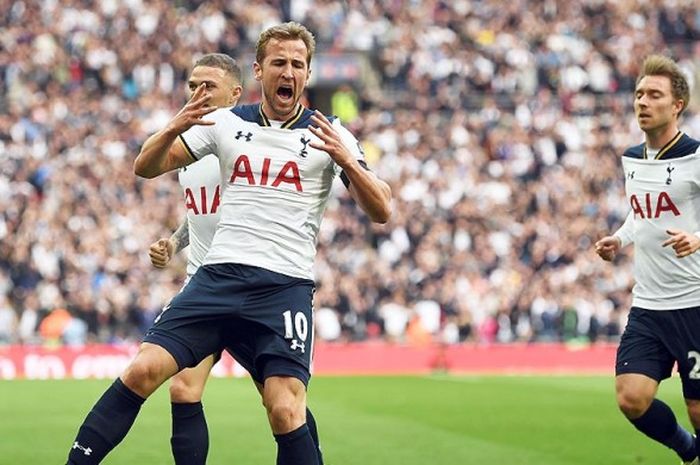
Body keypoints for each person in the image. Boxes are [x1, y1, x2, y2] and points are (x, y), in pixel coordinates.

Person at [66, 22, 391, 465]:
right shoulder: (226, 122)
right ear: (260, 70)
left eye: (298, 64)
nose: (288, 71)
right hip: (217, 277)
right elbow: (146, 166)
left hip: (283, 287)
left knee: (284, 407)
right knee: (143, 370)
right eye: (279, 62)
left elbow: (382, 209)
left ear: (308, 73)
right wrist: (173, 125)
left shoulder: (330, 133)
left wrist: (347, 162)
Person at [147, 51, 324, 465]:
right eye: (192, 86)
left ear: (236, 93)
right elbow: (203, 213)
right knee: (182, 388)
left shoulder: (241, 146)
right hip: (204, 286)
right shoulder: (189, 152)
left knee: (281, 403)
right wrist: (175, 242)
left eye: (208, 86)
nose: (197, 94)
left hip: (255, 288)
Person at [595, 54, 700, 465]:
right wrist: (619, 240)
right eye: (639, 93)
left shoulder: (695, 156)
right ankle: (687, 447)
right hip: (649, 305)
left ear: (677, 105)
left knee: (697, 410)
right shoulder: (632, 157)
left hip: (694, 303)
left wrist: (698, 239)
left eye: (654, 94)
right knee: (631, 399)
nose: (642, 101)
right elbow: (641, 214)